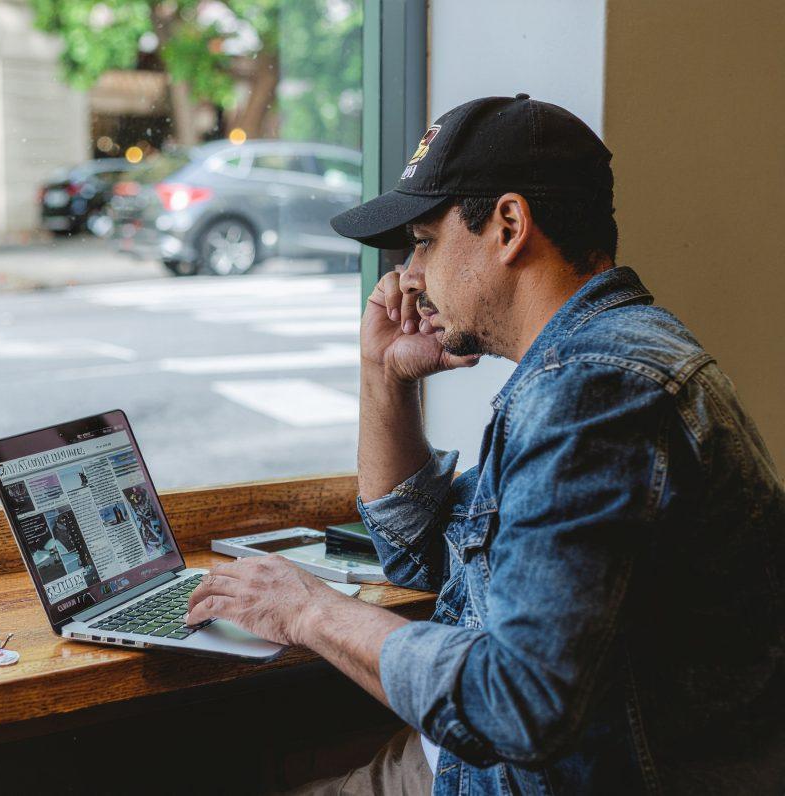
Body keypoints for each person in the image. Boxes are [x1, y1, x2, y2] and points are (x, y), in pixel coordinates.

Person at [185, 94, 785, 794]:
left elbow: (517, 703)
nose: (409, 276)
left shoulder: (594, 394)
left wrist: (308, 611)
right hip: (460, 765)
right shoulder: (580, 369)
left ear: (508, 225)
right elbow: (417, 552)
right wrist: (385, 376)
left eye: (426, 241)